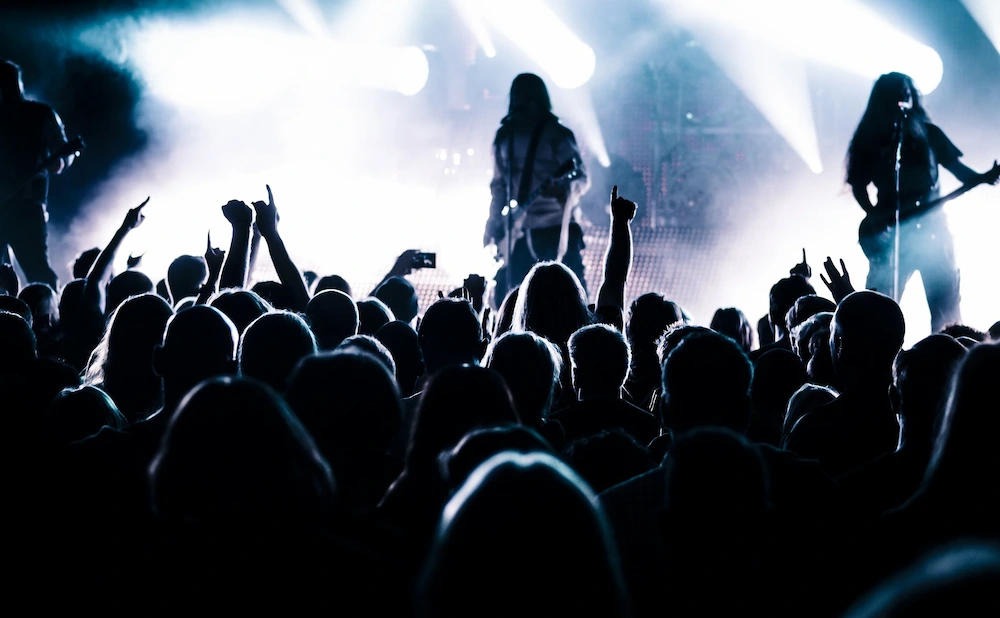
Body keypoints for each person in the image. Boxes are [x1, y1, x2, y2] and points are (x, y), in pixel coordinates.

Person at [845, 72, 998, 332]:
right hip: (892, 239)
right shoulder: (871, 138)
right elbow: (858, 184)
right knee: (880, 309)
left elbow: (958, 169)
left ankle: (948, 358)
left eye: (907, 92)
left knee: (946, 309)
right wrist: (875, 218)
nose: (904, 97)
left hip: (933, 234)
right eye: (897, 93)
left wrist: (984, 177)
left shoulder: (929, 134)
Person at [484, 73, 591, 308]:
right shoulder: (505, 136)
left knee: (571, 297)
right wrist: (493, 222)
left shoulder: (558, 135)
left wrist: (564, 190)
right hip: (518, 231)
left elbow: (582, 178)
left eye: (528, 98)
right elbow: (499, 186)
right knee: (512, 299)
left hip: (555, 226)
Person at [0, 60, 76, 288]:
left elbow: (63, 157)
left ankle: (46, 317)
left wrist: (56, 162)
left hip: (26, 205)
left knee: (37, 271)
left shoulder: (40, 114)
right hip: (22, 206)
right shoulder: (40, 114)